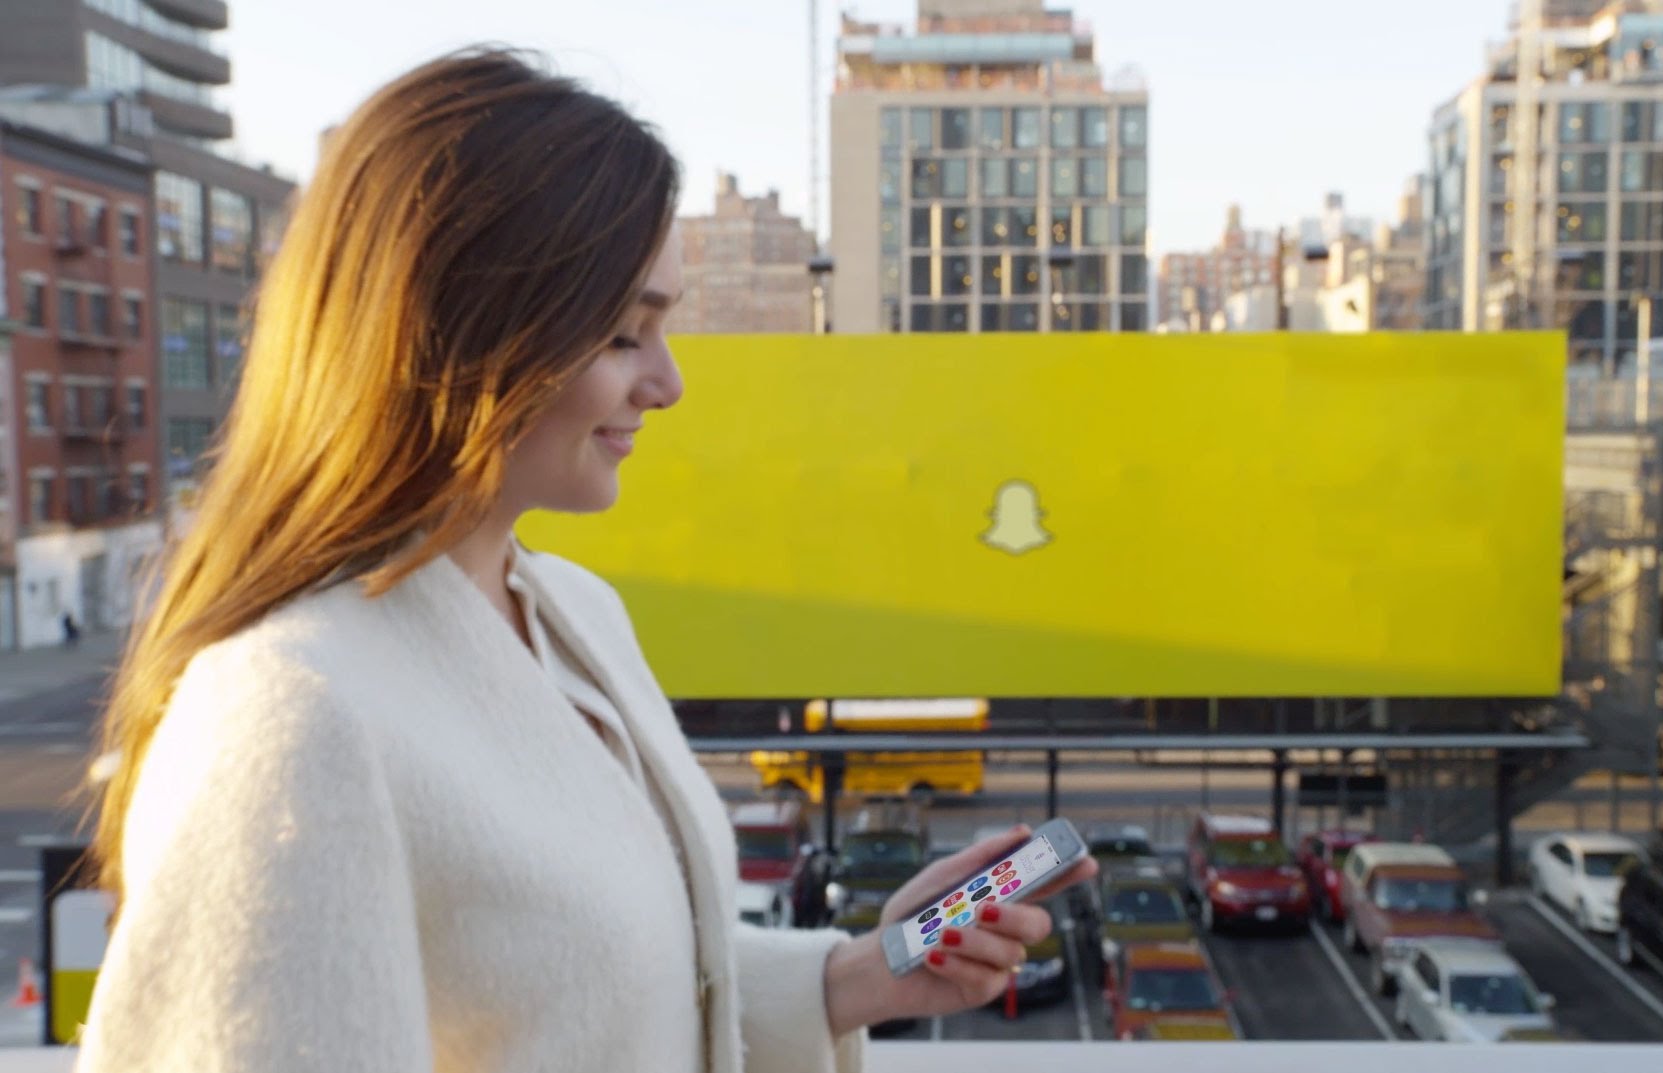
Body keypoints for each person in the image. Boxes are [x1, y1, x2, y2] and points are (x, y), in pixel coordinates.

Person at [77, 49, 1093, 1072]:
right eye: (623, 334)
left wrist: (857, 975)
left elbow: (602, 981)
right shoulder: (289, 719)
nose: (669, 381)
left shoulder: (573, 611)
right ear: (464, 336)